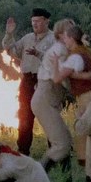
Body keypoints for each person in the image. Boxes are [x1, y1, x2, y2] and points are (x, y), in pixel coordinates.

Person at [2, 8, 55, 155]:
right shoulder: (27, 38)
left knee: (49, 117)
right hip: (27, 81)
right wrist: (9, 34)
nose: (35, 24)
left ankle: (56, 152)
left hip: (45, 81)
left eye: (38, 21)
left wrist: (38, 53)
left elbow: (56, 61)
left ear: (46, 21)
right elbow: (11, 51)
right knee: (25, 116)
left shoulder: (53, 39)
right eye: (33, 21)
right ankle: (23, 151)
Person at [32, 18, 76, 172]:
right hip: (45, 101)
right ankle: (37, 175)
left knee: (64, 140)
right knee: (62, 143)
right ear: (60, 34)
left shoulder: (64, 50)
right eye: (68, 32)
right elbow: (63, 78)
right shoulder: (60, 50)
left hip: (48, 100)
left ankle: (67, 180)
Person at [51, 25, 91, 166]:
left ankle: (89, 162)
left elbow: (57, 78)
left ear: (71, 38)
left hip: (87, 96)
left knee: (84, 128)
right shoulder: (86, 52)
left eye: (65, 37)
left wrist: (55, 63)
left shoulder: (75, 56)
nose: (64, 40)